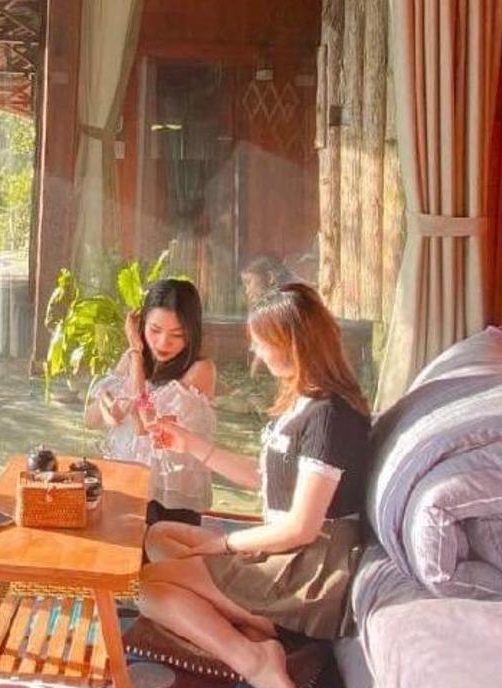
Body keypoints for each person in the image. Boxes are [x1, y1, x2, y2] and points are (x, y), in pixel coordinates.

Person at [139, 282, 370, 688]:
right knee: (159, 536)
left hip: (306, 571)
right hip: (286, 553)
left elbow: (302, 526)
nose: (256, 353)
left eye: (263, 343)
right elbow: (265, 479)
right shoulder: (303, 402)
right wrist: (190, 444)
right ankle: (251, 622)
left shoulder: (330, 416)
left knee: (145, 586)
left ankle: (256, 659)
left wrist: (225, 543)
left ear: (293, 343)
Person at [84, 278, 217, 522]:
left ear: (192, 333)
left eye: (177, 335)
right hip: (125, 484)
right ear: (142, 323)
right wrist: (106, 407)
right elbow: (90, 420)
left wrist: (136, 353)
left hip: (168, 502)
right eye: (154, 331)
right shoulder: (134, 357)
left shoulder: (200, 370)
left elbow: (147, 426)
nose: (163, 343)